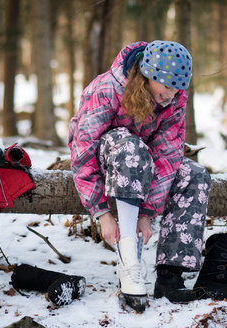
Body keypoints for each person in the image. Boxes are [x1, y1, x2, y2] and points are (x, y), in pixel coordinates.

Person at [68, 40, 212, 312]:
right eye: (166, 85)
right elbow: (83, 149)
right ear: (147, 75)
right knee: (130, 146)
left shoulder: (175, 98)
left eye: (178, 87)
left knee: (194, 174)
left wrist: (146, 212)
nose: (172, 94)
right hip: (106, 157)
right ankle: (129, 255)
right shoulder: (108, 88)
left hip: (142, 160)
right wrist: (102, 213)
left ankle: (171, 275)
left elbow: (168, 154)